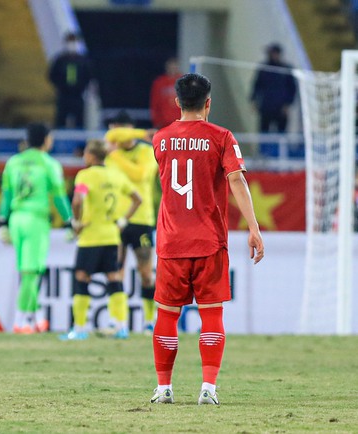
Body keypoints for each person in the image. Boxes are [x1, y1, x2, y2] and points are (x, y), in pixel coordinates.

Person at [150, 73, 264, 405]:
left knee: (167, 315)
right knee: (211, 314)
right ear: (208, 103)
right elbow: (237, 181)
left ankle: (163, 388)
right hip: (209, 241)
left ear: (176, 103)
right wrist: (254, 227)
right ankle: (208, 389)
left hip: (172, 242)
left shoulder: (161, 139)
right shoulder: (222, 137)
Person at [60, 139, 142, 341]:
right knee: (114, 278)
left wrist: (76, 222)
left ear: (91, 155)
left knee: (81, 278)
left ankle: (79, 329)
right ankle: (121, 327)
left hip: (90, 237)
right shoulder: (115, 175)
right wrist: (123, 220)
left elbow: (78, 200)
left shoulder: (86, 176)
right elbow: (137, 198)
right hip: (112, 236)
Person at [0, 123, 73, 334]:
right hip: (36, 221)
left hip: (16, 219)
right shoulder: (49, 163)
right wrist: (69, 221)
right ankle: (20, 322)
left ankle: (38, 318)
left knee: (26, 270)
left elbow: (6, 194)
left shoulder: (13, 162)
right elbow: (59, 196)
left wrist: (3, 222)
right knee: (32, 272)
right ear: (46, 139)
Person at [104, 124, 159, 335]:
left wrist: (116, 155)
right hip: (117, 220)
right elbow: (111, 136)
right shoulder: (110, 155)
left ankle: (149, 321)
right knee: (115, 271)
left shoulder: (146, 152)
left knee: (146, 273)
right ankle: (118, 322)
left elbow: (140, 175)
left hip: (141, 219)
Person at [48, 32, 94, 129]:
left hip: (78, 95)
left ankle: (80, 143)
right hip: (63, 95)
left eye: (74, 41)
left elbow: (89, 76)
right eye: (70, 41)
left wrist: (81, 86)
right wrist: (61, 86)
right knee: (60, 121)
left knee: (79, 122)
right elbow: (52, 76)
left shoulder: (83, 60)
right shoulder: (60, 60)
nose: (72, 44)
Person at [250, 43, 297, 133]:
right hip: (266, 107)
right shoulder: (264, 68)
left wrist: (288, 104)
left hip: (281, 108)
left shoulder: (286, 69)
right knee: (264, 133)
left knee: (281, 134)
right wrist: (254, 100)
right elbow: (257, 85)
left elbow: (292, 88)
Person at [149, 57, 182, 130]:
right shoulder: (159, 82)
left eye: (174, 66)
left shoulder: (183, 81)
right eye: (170, 66)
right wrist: (156, 122)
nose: (172, 68)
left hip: (180, 122)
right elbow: (155, 103)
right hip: (164, 123)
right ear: (166, 67)